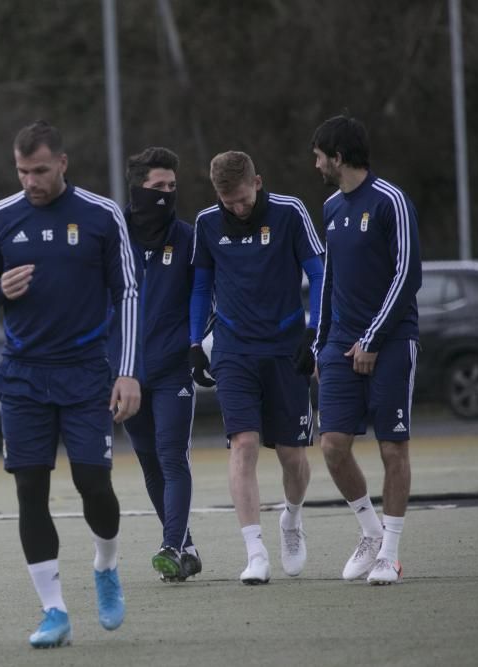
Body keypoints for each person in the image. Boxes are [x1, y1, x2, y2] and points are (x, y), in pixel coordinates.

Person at [0, 120, 141, 648]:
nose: (30, 181)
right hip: (22, 376)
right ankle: (54, 612)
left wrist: (128, 371)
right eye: (22, 172)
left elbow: (128, 293)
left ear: (62, 163)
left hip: (87, 373)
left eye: (40, 170)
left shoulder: (101, 215)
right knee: (29, 490)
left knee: (94, 482)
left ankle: (106, 567)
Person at [189, 150, 325, 585]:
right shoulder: (207, 223)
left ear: (258, 182)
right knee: (243, 444)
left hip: (286, 348)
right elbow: (200, 287)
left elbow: (320, 272)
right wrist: (195, 344)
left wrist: (314, 332)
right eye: (229, 202)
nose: (238, 209)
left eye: (243, 200)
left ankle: (292, 518)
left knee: (291, 455)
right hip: (234, 350)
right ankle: (255, 552)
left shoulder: (290, 212)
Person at [310, 115, 421, 585]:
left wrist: (373, 338)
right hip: (341, 346)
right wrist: (321, 343)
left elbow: (407, 275)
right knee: (333, 447)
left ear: (338, 157)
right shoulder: (332, 206)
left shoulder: (391, 201)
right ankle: (370, 533)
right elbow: (331, 279)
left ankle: (390, 555)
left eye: (319, 155)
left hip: (391, 342)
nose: (315, 164)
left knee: (392, 448)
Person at [107, 146, 202, 582]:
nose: (166, 194)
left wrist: (199, 343)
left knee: (171, 456)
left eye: (172, 187)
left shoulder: (186, 238)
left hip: (172, 369)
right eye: (157, 186)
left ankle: (170, 544)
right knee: (148, 460)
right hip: (126, 373)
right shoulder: (113, 235)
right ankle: (184, 545)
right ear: (138, 188)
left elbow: (205, 296)